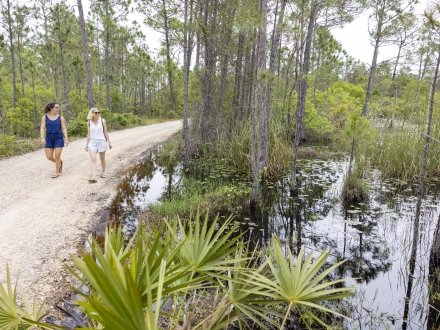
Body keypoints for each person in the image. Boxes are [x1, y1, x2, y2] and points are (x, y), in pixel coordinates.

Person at [40, 102, 69, 178]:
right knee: (49, 157)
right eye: (56, 107)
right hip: (49, 138)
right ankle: (59, 162)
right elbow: (42, 128)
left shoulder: (61, 118)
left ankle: (57, 172)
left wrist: (66, 138)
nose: (58, 109)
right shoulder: (45, 117)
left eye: (58, 107)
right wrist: (42, 138)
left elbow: (64, 128)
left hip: (58, 137)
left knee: (57, 155)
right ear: (51, 108)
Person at [85, 107, 112, 183]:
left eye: (98, 112)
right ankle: (94, 177)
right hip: (92, 142)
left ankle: (103, 172)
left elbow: (105, 132)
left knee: (102, 159)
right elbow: (89, 134)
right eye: (96, 112)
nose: (97, 114)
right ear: (92, 113)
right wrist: (86, 145)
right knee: (93, 159)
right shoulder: (89, 122)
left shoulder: (102, 121)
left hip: (101, 141)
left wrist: (109, 142)